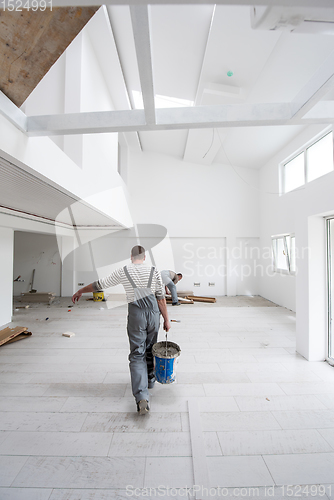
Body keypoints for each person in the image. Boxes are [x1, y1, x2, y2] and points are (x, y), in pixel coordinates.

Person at [72, 245, 171, 415]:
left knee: (137, 354)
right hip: (153, 314)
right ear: (144, 257)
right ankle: (150, 381)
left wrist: (81, 290)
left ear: (131, 257)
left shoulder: (124, 271)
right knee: (150, 348)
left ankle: (141, 397)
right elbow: (161, 298)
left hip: (136, 315)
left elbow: (99, 284)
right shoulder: (154, 271)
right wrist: (167, 319)